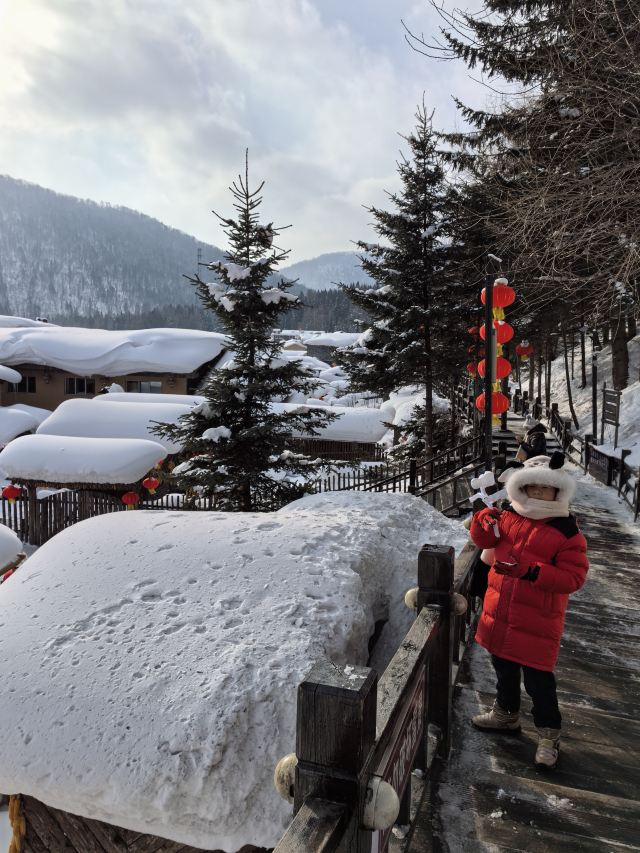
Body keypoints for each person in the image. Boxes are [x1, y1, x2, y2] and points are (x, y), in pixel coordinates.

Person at [469, 451, 589, 770]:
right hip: (501, 610)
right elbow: (484, 541)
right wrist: (482, 521)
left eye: (544, 487)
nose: (537, 491)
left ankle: (549, 735)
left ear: (557, 490)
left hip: (537, 620)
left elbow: (574, 578)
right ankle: (505, 714)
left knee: (538, 681)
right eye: (531, 486)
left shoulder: (567, 532)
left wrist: (532, 572)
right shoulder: (510, 515)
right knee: (503, 667)